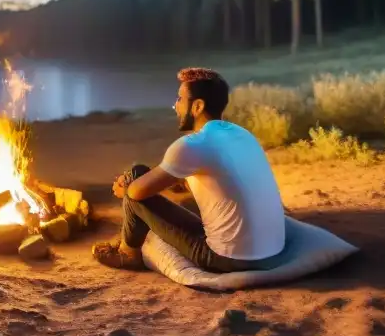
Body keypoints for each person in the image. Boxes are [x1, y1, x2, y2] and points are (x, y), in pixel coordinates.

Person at [92, 67, 286, 273]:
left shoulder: (192, 145)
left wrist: (126, 192)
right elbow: (214, 179)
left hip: (229, 258)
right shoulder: (242, 134)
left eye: (179, 99)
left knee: (136, 182)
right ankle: (128, 243)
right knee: (141, 176)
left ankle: (128, 254)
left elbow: (136, 193)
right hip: (273, 251)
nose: (175, 106)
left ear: (198, 106)